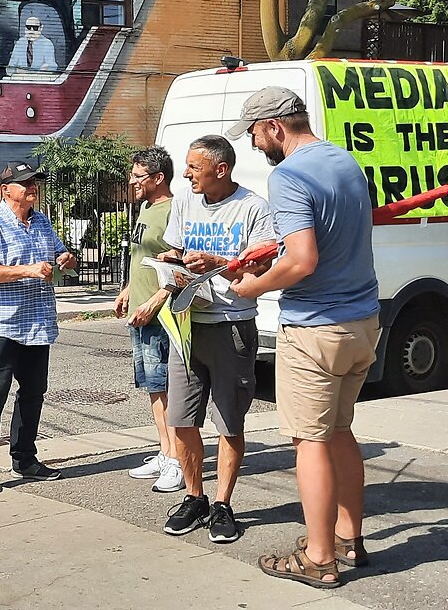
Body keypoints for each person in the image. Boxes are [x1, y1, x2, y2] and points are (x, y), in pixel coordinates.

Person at [228, 87, 380, 589]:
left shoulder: (289, 175)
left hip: (316, 327)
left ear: (273, 125)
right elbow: (329, 240)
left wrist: (255, 285)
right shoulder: (346, 161)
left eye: (253, 134)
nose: (254, 145)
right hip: (362, 322)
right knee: (339, 432)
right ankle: (348, 539)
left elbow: (303, 261)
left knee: (309, 441)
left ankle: (319, 557)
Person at [159, 135, 273, 543]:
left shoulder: (253, 208)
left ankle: (223, 504)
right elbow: (174, 250)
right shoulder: (185, 202)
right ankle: (195, 497)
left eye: (193, 166)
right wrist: (170, 264)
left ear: (220, 169)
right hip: (188, 324)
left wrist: (219, 263)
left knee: (228, 422)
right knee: (182, 421)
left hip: (232, 325)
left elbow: (258, 273)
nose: (186, 173)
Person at [0, 161, 77, 494]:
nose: (33, 187)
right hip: (3, 322)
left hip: (38, 322)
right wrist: (28, 270)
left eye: (35, 182)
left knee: (32, 394)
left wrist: (67, 259)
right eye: (25, 183)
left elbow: (62, 254)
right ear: (7, 189)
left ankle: (25, 458)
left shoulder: (42, 221)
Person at [114, 146, 184, 493]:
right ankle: (165, 450)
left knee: (167, 389)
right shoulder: (146, 207)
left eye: (138, 176)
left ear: (158, 178)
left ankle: (176, 461)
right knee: (154, 388)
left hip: (161, 315)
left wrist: (156, 300)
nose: (132, 181)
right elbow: (144, 256)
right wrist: (129, 289)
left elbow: (181, 266)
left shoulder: (175, 210)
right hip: (140, 311)